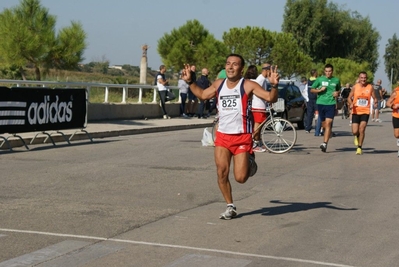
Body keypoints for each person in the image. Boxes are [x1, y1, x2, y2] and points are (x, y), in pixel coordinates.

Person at [181, 54, 279, 220]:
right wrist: (190, 82)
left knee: (240, 178)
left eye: (235, 64)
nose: (230, 67)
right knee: (221, 173)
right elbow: (203, 95)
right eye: (228, 64)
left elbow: (270, 98)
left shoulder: (248, 85)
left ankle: (249, 160)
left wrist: (274, 86)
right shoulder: (219, 84)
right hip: (223, 136)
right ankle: (230, 206)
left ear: (241, 69)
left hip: (242, 137)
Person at [310, 64, 341, 152]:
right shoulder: (319, 79)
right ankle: (328, 133)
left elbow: (338, 90)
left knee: (328, 123)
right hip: (321, 103)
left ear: (332, 71)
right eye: (326, 71)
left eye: (330, 71)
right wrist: (319, 90)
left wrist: (337, 93)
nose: (328, 73)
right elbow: (312, 89)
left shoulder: (336, 80)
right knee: (324, 125)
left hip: (331, 104)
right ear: (324, 71)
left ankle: (324, 143)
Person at [347, 72, 377, 155]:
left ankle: (359, 148)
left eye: (365, 78)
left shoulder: (370, 87)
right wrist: (351, 103)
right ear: (359, 78)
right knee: (354, 131)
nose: (363, 79)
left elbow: (374, 97)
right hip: (356, 111)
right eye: (361, 78)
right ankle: (356, 136)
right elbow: (349, 97)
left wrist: (375, 102)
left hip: (365, 111)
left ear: (366, 78)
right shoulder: (355, 87)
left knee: (362, 129)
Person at [246, 64, 266, 152]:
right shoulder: (258, 80)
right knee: (257, 125)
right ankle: (254, 143)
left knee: (258, 125)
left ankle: (257, 142)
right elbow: (256, 92)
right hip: (257, 105)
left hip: (258, 105)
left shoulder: (259, 79)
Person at [386, 81, 399, 156]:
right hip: (396, 116)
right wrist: (393, 106)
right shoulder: (396, 93)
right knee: (397, 135)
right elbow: (388, 103)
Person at [306, 69, 318, 134]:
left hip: (310, 99)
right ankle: (317, 128)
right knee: (317, 114)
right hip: (316, 99)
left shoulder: (308, 81)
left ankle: (308, 128)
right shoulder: (317, 80)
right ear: (315, 73)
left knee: (309, 114)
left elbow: (305, 90)